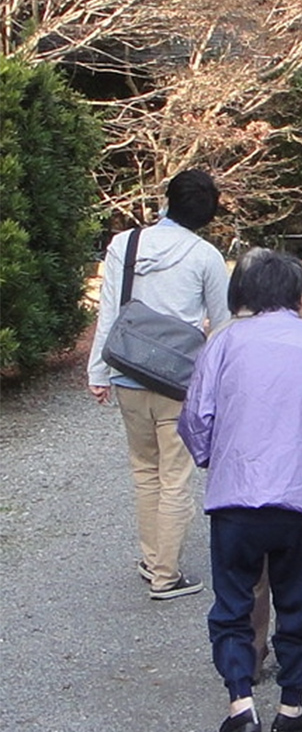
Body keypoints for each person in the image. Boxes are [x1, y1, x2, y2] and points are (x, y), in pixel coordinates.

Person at [175, 249, 302, 732]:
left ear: (246, 294)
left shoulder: (223, 343)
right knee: (297, 599)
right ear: (301, 295)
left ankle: (240, 702)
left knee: (233, 603)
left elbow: (196, 418)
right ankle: (292, 707)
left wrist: (215, 458)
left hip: (237, 494)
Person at [87, 168, 231, 600]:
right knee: (175, 476)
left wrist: (98, 372)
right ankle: (166, 575)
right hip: (178, 381)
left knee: (144, 471)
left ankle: (152, 559)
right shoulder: (205, 256)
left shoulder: (124, 244)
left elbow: (109, 313)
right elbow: (222, 325)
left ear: (166, 201)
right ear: (206, 216)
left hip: (128, 371)